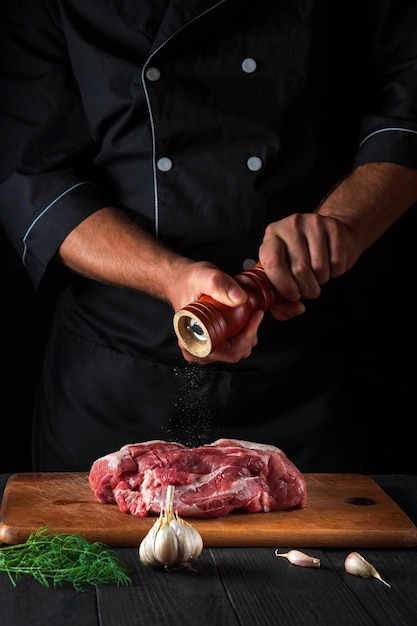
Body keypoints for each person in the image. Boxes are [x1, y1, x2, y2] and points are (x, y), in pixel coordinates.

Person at [1, 0, 417, 473]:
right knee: (90, 548)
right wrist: (168, 275)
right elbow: (32, 175)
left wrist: (341, 225)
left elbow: (406, 110)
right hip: (118, 369)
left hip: (305, 369)